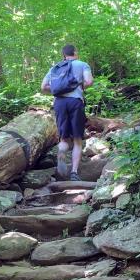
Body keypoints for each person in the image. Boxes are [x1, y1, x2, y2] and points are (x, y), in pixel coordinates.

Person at [41, 44, 94, 181]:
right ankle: (74, 173)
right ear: (75, 52)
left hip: (59, 103)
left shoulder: (55, 68)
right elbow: (89, 81)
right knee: (77, 139)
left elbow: (43, 87)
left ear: (63, 55)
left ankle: (61, 153)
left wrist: (58, 88)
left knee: (63, 137)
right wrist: (80, 87)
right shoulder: (82, 64)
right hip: (75, 102)